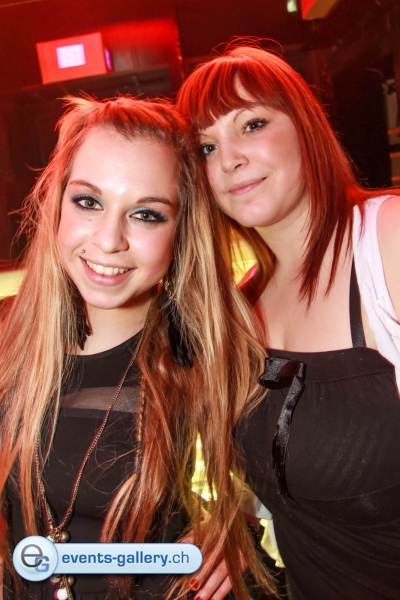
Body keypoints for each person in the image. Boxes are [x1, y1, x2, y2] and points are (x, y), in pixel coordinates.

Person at [0, 95, 271, 600]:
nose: (109, 240)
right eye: (88, 202)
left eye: (146, 214)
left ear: (182, 230)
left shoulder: (208, 351)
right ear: (57, 203)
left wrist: (235, 525)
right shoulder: (8, 332)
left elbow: (285, 487)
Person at [177, 44, 400, 599]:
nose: (228, 159)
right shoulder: (241, 307)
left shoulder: (386, 241)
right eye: (206, 147)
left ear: (305, 126)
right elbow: (287, 469)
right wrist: (237, 522)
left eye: (251, 125)